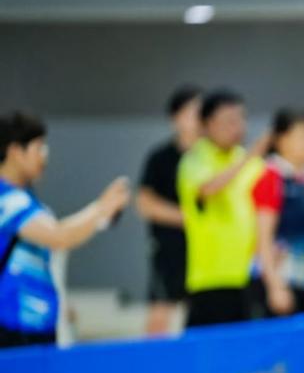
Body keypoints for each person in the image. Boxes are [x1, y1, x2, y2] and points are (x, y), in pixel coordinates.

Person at [0, 111, 129, 348]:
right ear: (16, 151)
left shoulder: (30, 203)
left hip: (37, 328)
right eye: (39, 148)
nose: (45, 157)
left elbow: (58, 238)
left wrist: (101, 215)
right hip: (10, 328)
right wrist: (101, 207)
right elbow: (60, 236)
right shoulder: (6, 200)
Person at [177, 89, 268, 328]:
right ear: (207, 124)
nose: (237, 127)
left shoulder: (253, 163)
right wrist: (248, 159)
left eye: (241, 119)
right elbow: (208, 188)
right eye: (228, 121)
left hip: (249, 275)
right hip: (210, 280)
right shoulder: (195, 159)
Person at [136, 85, 202, 335]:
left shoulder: (211, 158)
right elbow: (145, 203)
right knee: (160, 316)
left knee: (201, 316)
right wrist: (189, 218)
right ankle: (153, 361)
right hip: (170, 250)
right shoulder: (161, 158)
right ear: (176, 117)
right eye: (192, 112)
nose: (197, 118)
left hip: (205, 252)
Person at [253, 108, 304, 316]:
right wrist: (275, 286)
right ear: (281, 139)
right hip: (280, 283)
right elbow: (263, 238)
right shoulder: (270, 177)